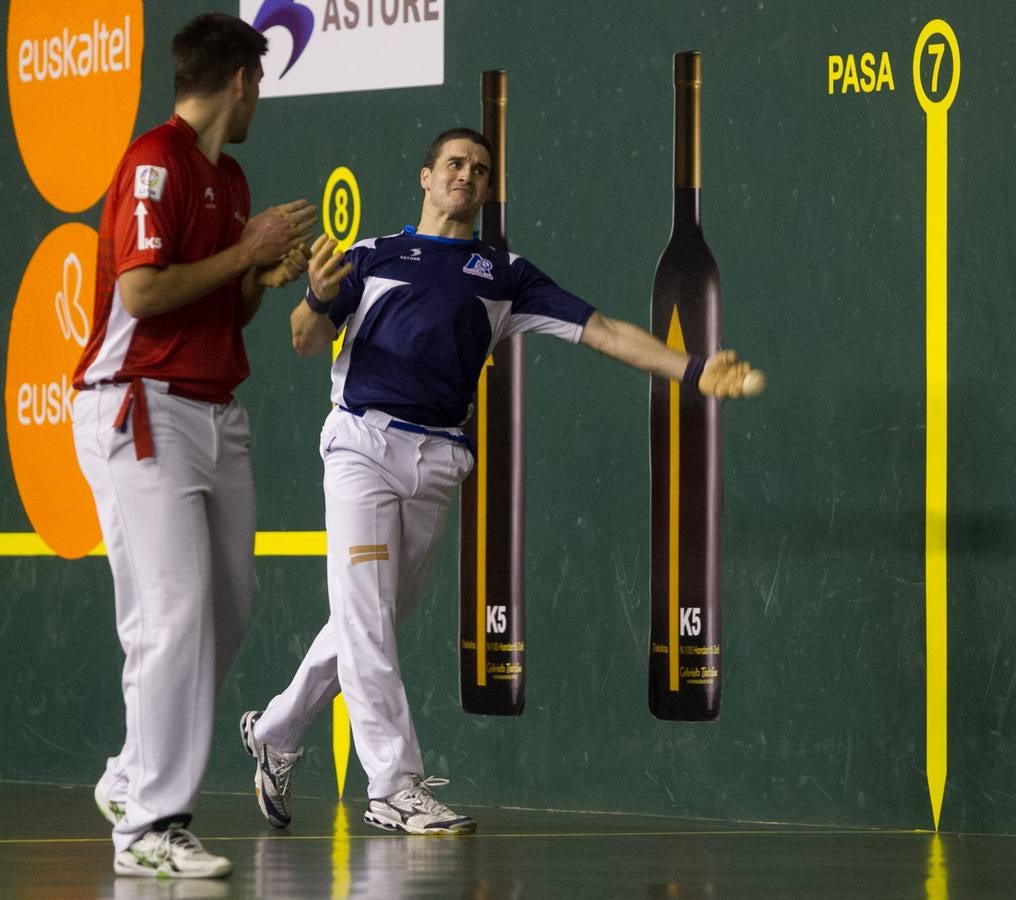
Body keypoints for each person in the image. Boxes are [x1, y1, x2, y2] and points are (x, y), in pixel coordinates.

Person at [240, 127, 758, 837]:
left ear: (487, 190)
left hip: (437, 461)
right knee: (365, 619)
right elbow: (305, 339)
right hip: (362, 445)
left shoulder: (504, 275)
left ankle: (275, 731)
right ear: (426, 177)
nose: (467, 175)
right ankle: (394, 786)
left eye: (480, 170)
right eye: (455, 163)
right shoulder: (371, 256)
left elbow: (603, 330)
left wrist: (691, 369)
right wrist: (316, 296)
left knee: (378, 616)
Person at [71, 13, 315, 880]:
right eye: (259, 87)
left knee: (226, 608)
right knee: (171, 614)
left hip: (216, 408)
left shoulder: (231, 178)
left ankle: (131, 776)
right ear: (241, 82)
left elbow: (220, 305)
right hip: (140, 405)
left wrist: (257, 276)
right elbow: (141, 293)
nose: (259, 104)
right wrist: (243, 251)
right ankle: (149, 826)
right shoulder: (155, 162)